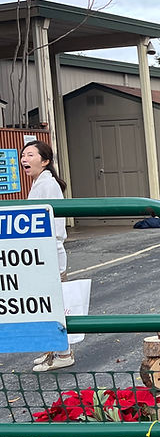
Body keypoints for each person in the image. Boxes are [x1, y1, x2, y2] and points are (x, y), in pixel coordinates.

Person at [23, 140, 73, 371]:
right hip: (40, 253)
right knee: (42, 302)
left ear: (45, 161)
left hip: (50, 253)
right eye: (23, 155)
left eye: (30, 155)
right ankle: (51, 350)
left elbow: (54, 225)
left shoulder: (48, 185)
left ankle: (64, 353)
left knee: (53, 303)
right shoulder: (38, 183)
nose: (25, 159)